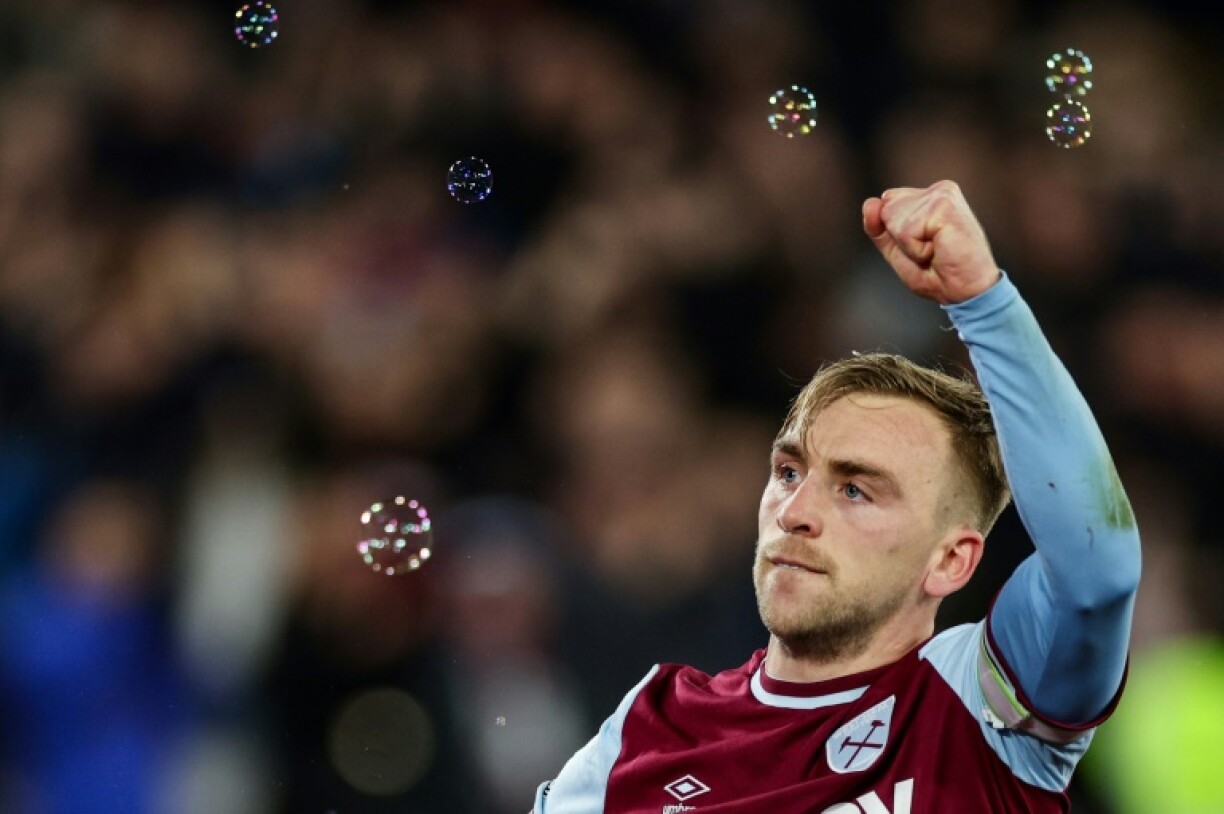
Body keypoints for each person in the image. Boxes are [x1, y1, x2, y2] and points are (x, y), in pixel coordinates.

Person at [530, 180, 1141, 813]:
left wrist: (983, 303)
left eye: (855, 490)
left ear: (951, 559)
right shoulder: (646, 729)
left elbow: (1096, 572)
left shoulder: (980, 702)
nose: (794, 514)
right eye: (789, 473)